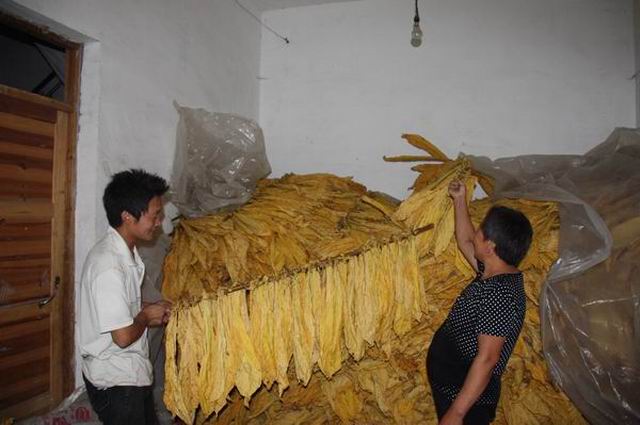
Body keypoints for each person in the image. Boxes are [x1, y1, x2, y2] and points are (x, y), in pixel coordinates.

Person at [426, 180, 533, 425]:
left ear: (490, 247)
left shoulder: (499, 294)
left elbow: (487, 359)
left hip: (468, 402)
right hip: (455, 387)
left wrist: (457, 413)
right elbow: (465, 241)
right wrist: (459, 199)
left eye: (480, 231)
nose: (475, 234)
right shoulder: (493, 272)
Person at [78, 169, 173, 424]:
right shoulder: (109, 265)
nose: (159, 223)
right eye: (154, 215)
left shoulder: (125, 253)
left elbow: (122, 306)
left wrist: (151, 307)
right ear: (128, 216)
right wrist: (146, 316)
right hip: (117, 382)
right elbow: (121, 337)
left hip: (130, 373)